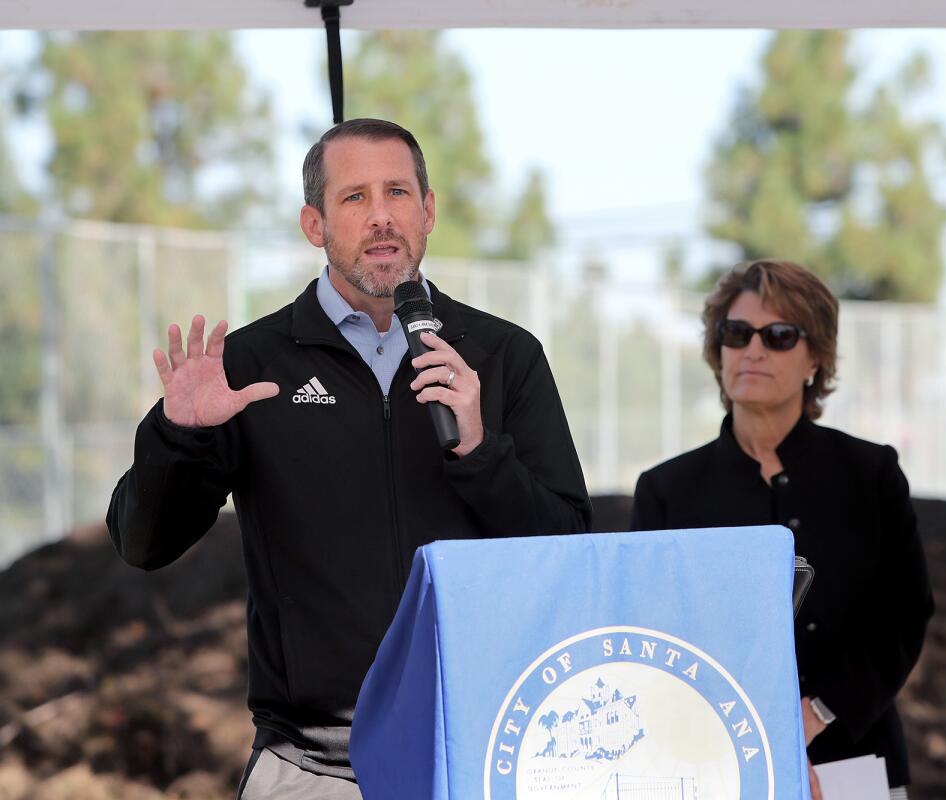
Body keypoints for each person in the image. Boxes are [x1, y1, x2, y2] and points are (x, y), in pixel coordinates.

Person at [106, 118, 591, 798]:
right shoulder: (250, 364)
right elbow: (143, 543)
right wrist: (180, 437)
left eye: (397, 192)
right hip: (311, 767)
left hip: (485, 752)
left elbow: (569, 552)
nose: (382, 216)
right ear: (315, 224)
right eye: (355, 197)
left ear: (428, 210)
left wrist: (481, 451)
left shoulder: (504, 356)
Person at [630, 259, 933, 796]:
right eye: (736, 333)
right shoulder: (666, 491)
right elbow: (652, 635)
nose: (753, 350)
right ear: (717, 351)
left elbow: (904, 613)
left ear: (815, 357)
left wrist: (817, 712)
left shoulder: (872, 474)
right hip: (712, 762)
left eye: (779, 336)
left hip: (856, 757)